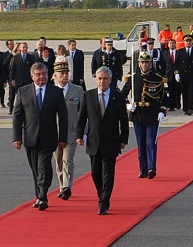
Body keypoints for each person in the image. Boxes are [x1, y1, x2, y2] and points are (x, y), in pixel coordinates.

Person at [12, 63, 68, 211]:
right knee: (36, 169)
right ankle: (39, 196)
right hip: (30, 137)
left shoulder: (55, 92)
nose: (41, 77)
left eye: (44, 74)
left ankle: (42, 196)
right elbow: (17, 116)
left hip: (49, 137)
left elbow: (63, 117)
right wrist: (16, 137)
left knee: (43, 167)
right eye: (38, 74)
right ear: (32, 76)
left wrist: (63, 138)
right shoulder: (23, 92)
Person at [76, 66, 129, 215]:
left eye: (105, 78)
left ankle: (104, 202)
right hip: (94, 141)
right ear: (96, 79)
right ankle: (102, 194)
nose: (102, 81)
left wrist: (123, 138)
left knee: (108, 174)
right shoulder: (88, 96)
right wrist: (79, 135)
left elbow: (123, 121)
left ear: (110, 80)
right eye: (99, 78)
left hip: (111, 141)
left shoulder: (117, 97)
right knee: (95, 172)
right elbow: (82, 118)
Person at [123, 53, 167, 179]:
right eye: (142, 62)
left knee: (151, 141)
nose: (144, 65)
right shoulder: (133, 78)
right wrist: (127, 105)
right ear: (139, 64)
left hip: (152, 113)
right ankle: (143, 169)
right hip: (137, 114)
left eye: (147, 62)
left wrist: (162, 111)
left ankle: (152, 168)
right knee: (141, 143)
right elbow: (122, 94)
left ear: (150, 63)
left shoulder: (157, 79)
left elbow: (164, 98)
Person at [51, 58, 84, 201]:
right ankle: (61, 187)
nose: (65, 76)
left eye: (66, 73)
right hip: (54, 132)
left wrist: (83, 132)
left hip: (71, 132)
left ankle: (67, 187)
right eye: (62, 73)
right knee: (58, 162)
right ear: (55, 75)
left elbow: (83, 113)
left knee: (67, 160)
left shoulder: (77, 90)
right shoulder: (50, 90)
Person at [9, 42, 35, 115]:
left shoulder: (31, 57)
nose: (25, 49)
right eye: (23, 47)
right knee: (19, 96)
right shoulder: (15, 58)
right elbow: (12, 70)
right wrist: (12, 79)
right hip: (18, 81)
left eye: (26, 47)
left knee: (28, 96)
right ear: (20, 48)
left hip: (28, 81)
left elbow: (33, 69)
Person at [163, 39, 180, 111]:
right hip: (169, 75)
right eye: (170, 43)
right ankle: (171, 106)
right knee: (170, 90)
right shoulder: (165, 54)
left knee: (178, 90)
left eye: (173, 43)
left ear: (175, 44)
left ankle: (178, 104)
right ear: (168, 45)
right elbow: (163, 65)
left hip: (177, 75)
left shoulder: (179, 53)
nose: (172, 45)